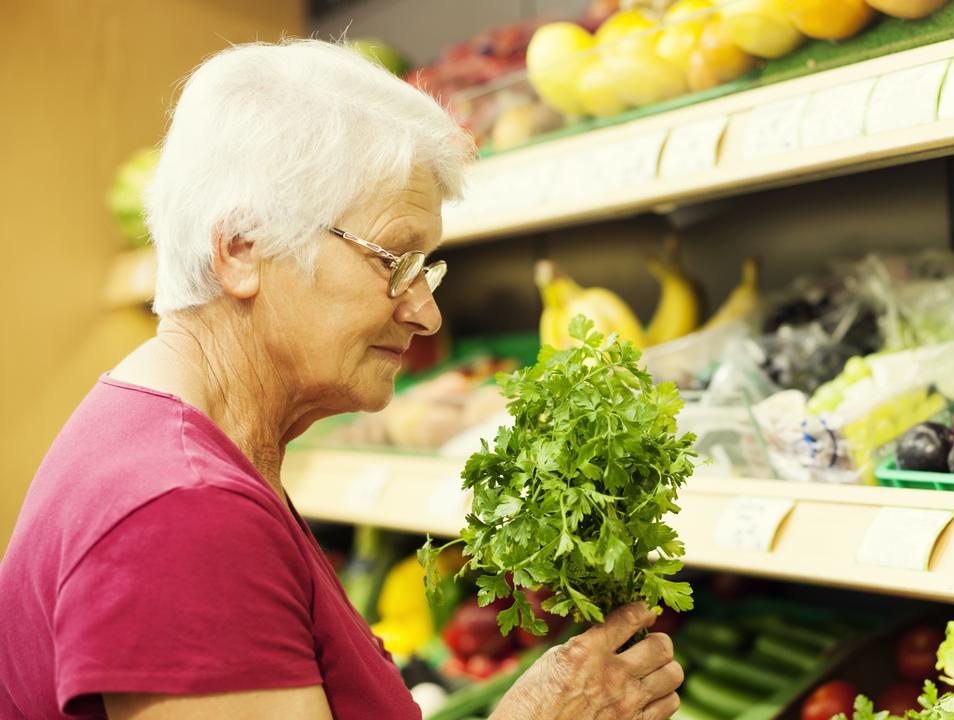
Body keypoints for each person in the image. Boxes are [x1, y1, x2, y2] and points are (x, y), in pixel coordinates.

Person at [0, 40, 683, 720]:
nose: (425, 311)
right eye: (394, 260)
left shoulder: (177, 449)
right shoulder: (182, 513)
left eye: (427, 268)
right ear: (243, 249)